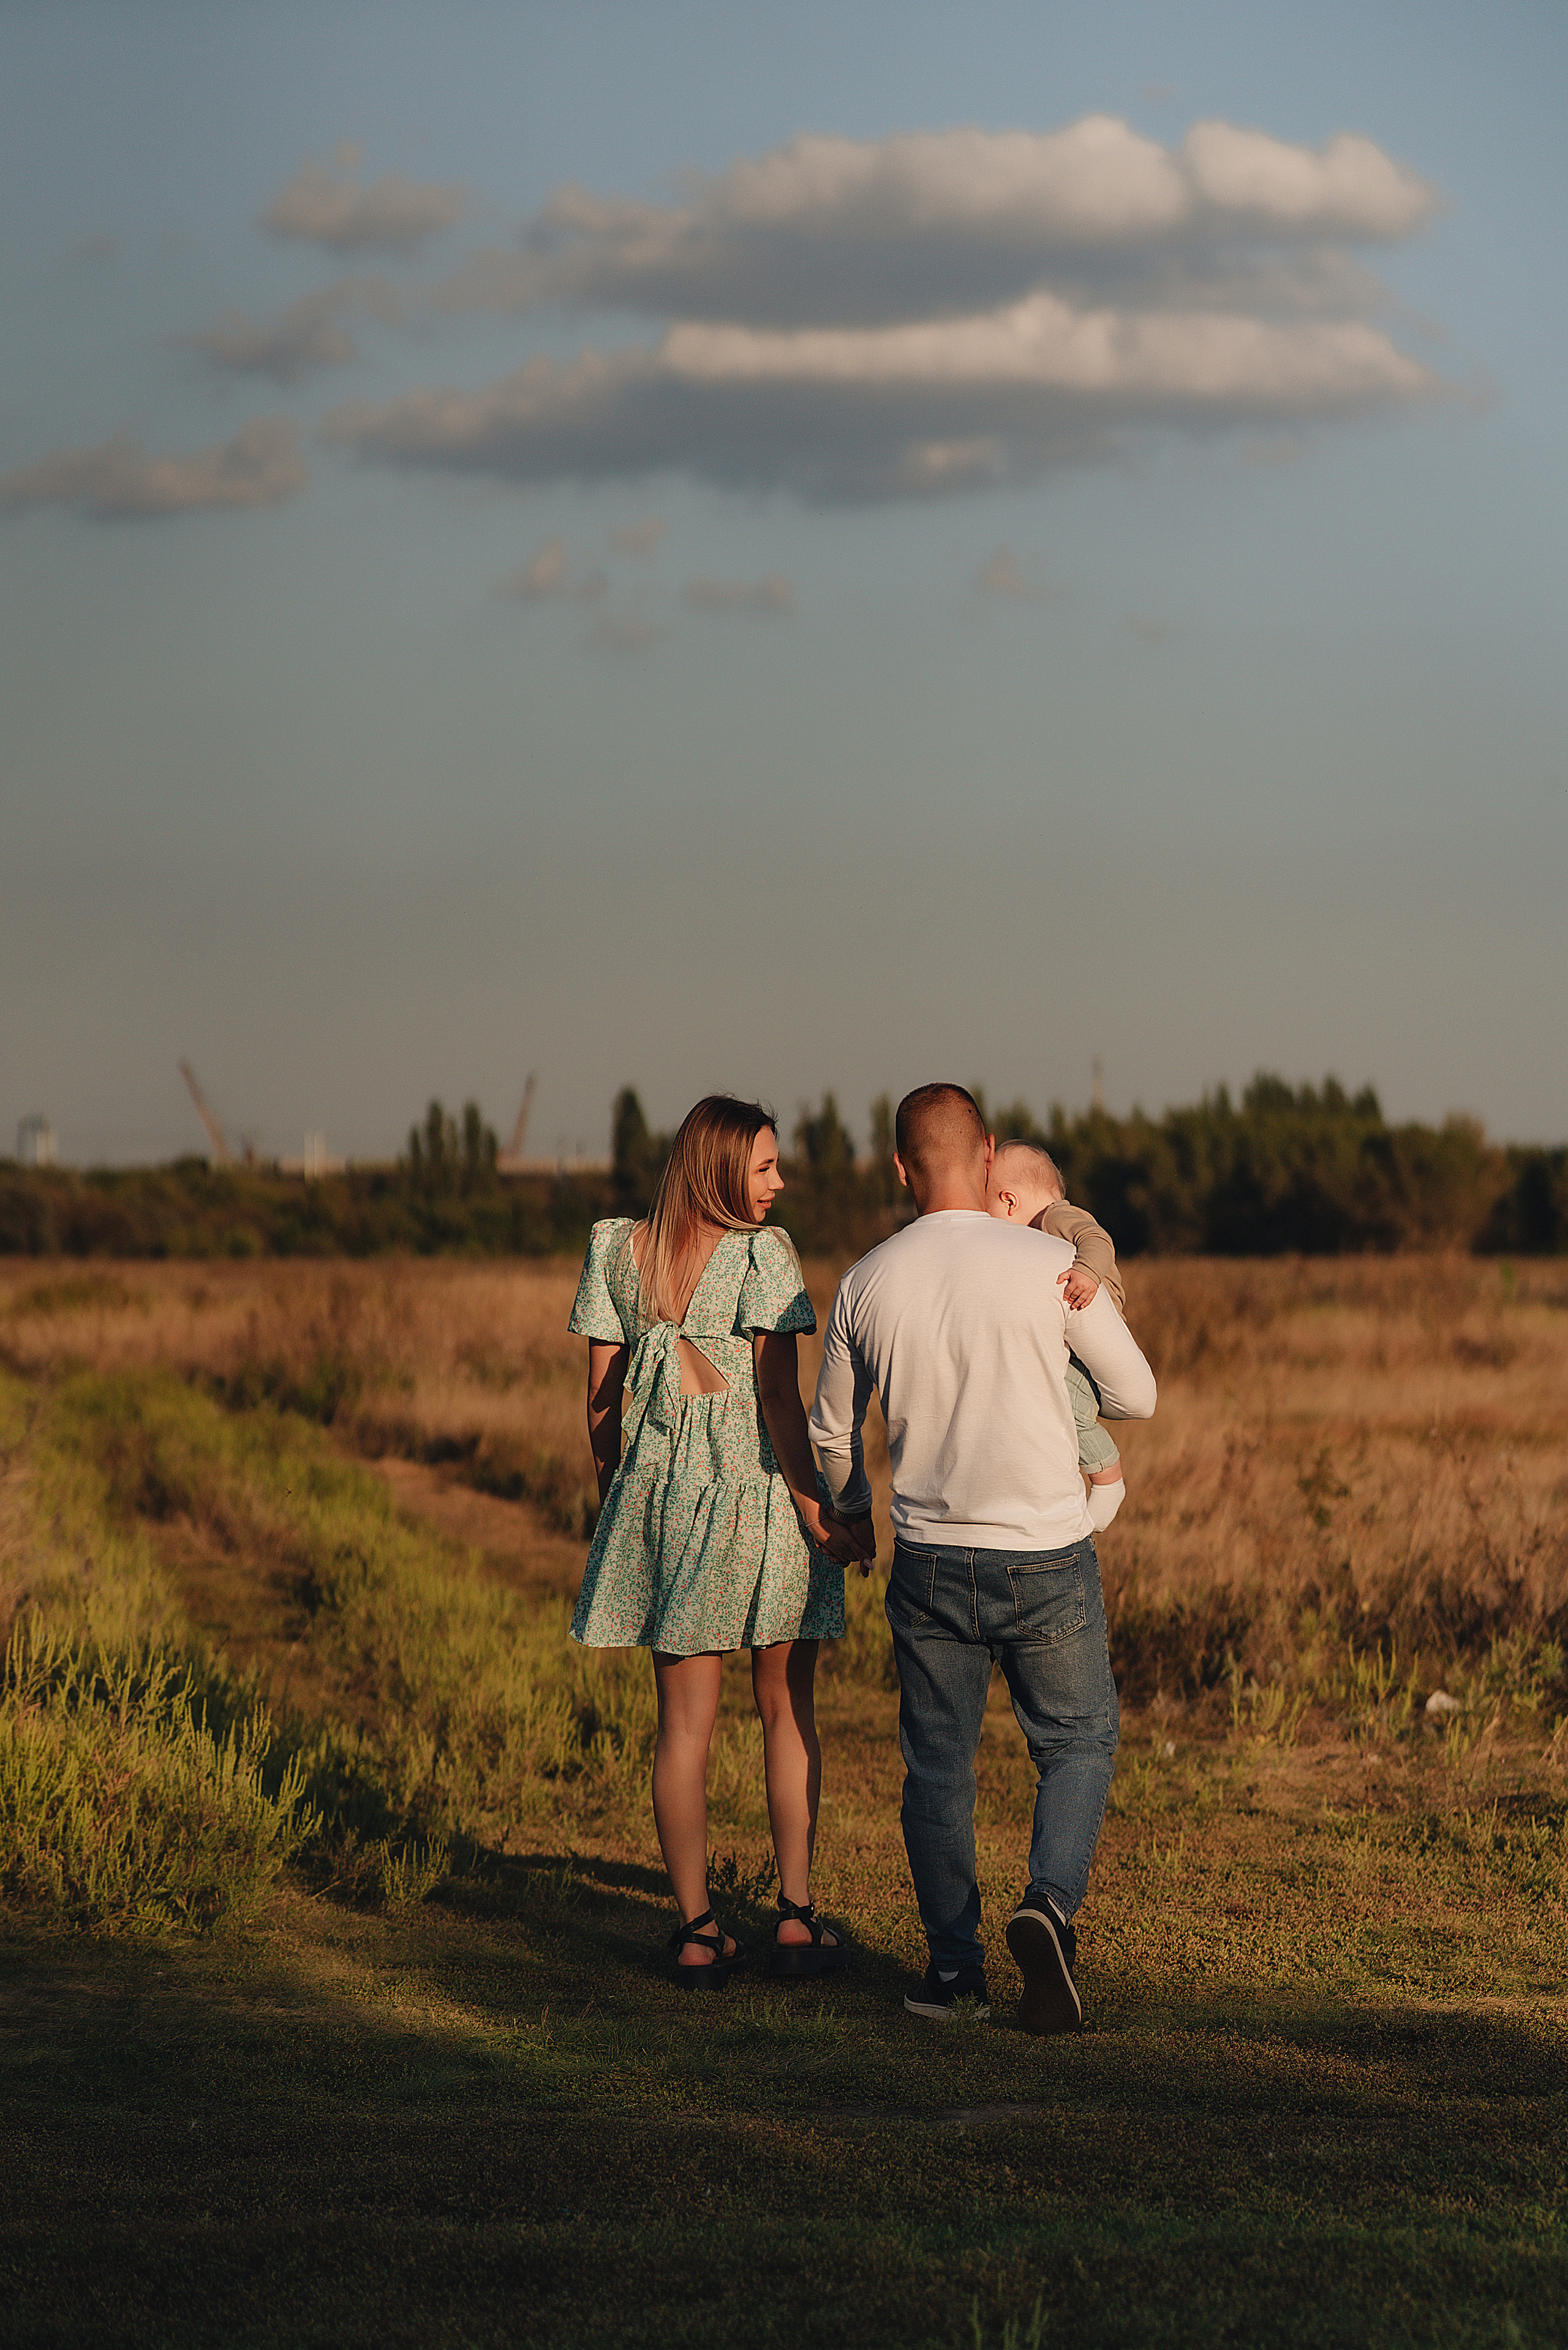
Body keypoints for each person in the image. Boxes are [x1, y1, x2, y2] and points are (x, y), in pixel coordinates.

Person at [809, 1084, 1156, 2033]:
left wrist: (853, 1512)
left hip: (928, 1559)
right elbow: (1138, 1394)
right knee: (1077, 1741)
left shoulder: (867, 1281)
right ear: (990, 1151)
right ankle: (1048, 1905)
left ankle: (956, 1976)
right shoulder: (1050, 1265)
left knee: (939, 1768)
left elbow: (831, 1431)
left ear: (900, 1167)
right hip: (1046, 1554)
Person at [568, 1094, 873, 1989]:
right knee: (785, 1707)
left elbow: (601, 1404)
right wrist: (815, 1508)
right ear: (719, 1167)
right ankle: (796, 1918)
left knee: (682, 1728)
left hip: (662, 1501)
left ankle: (698, 1932)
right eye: (765, 1165)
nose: (779, 1181)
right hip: (762, 1497)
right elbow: (778, 1398)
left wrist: (622, 1502)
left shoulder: (615, 1249)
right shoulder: (762, 1254)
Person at [986, 1139, 1130, 1533]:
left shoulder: (1053, 1218)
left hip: (1095, 1335)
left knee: (1070, 1408)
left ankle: (1109, 1479)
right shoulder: (1043, 1227)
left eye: (989, 1211)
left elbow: (1098, 1239)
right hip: (1077, 1334)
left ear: (1009, 1202)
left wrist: (1087, 1271)